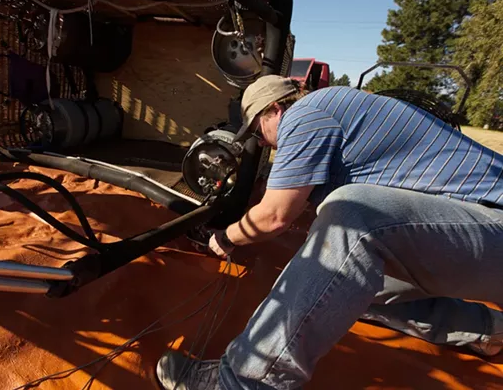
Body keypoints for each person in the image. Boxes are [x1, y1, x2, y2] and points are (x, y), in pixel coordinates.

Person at [156, 75, 503, 390]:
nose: (261, 143)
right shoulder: (338, 114)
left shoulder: (307, 113)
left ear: (276, 109)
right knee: (346, 281)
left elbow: (275, 216)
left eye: (258, 131)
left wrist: (226, 237)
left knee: (353, 216)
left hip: (494, 226)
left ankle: (242, 383)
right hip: (477, 237)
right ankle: (487, 330)